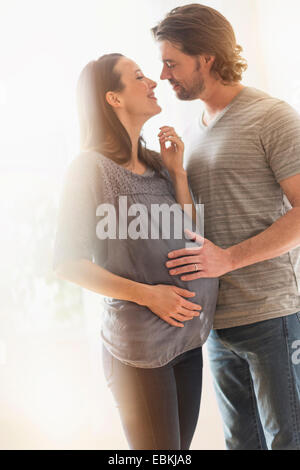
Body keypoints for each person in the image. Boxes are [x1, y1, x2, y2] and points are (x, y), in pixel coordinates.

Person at [152, 3, 300, 450]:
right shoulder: (193, 128)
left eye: (171, 62)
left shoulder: (271, 116)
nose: (163, 75)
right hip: (215, 321)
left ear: (207, 58)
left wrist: (229, 258)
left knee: (287, 439)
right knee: (241, 442)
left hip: (271, 314)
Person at [52, 53, 219, 450]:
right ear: (113, 98)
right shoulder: (89, 169)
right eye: (140, 77)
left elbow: (192, 234)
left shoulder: (160, 164)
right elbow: (67, 263)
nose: (154, 83)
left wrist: (178, 174)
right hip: (141, 351)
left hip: (187, 340)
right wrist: (150, 295)